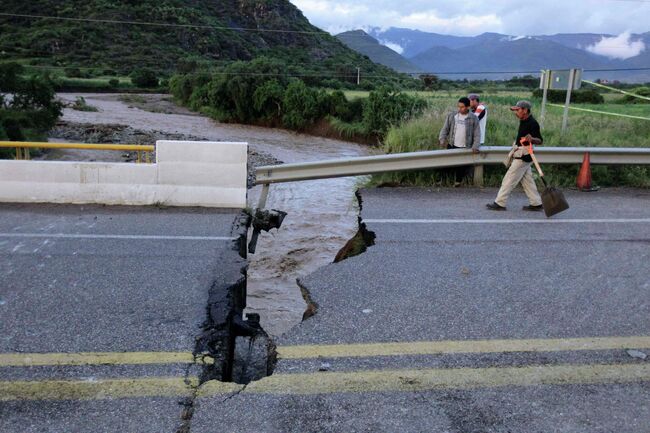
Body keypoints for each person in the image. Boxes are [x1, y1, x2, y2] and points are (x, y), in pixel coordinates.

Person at [486, 100, 543, 211]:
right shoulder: (523, 120)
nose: (516, 112)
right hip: (521, 153)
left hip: (524, 156)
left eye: (518, 110)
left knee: (509, 179)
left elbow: (540, 140)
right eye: (515, 110)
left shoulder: (533, 123)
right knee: (528, 181)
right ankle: (536, 203)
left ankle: (500, 203)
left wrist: (532, 139)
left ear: (525, 110)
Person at [439, 97, 481, 183]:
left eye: (462, 107)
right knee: (447, 164)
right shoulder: (452, 116)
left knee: (461, 167)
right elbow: (445, 129)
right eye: (458, 106)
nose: (459, 109)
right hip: (452, 144)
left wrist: (475, 145)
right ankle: (440, 180)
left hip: (465, 146)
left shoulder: (473, 118)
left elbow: (477, 134)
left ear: (468, 107)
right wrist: (442, 139)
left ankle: (458, 182)